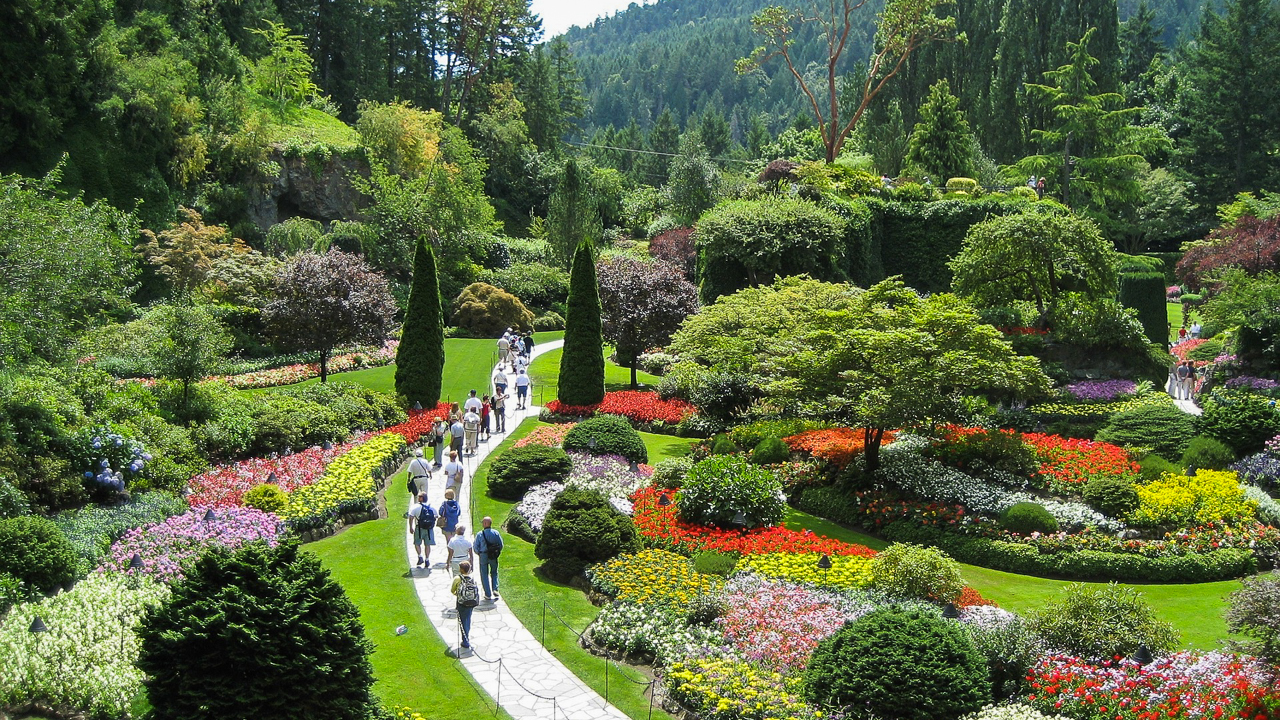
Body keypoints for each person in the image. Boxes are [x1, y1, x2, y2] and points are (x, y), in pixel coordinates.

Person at [473, 516, 503, 601]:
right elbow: (501, 545)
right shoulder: (496, 533)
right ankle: (495, 589)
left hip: (483, 555)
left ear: (485, 523)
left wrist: (479, 553)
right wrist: (496, 553)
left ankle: (488, 594)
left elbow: (475, 547)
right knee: (494, 572)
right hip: (493, 555)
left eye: (483, 522)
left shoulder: (479, 534)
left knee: (484, 574)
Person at [451, 560, 479, 649]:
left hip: (461, 603)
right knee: (468, 619)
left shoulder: (457, 578)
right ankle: (466, 638)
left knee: (463, 622)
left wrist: (459, 596)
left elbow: (452, 590)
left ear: (461, 569)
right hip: (471, 602)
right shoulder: (473, 578)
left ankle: (465, 641)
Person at [409, 492, 436, 568]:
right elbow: (436, 516)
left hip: (419, 528)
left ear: (421, 498)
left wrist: (411, 527)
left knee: (417, 543)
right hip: (429, 529)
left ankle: (420, 556)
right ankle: (427, 559)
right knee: (427, 545)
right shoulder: (431, 507)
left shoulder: (415, 507)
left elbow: (411, 517)